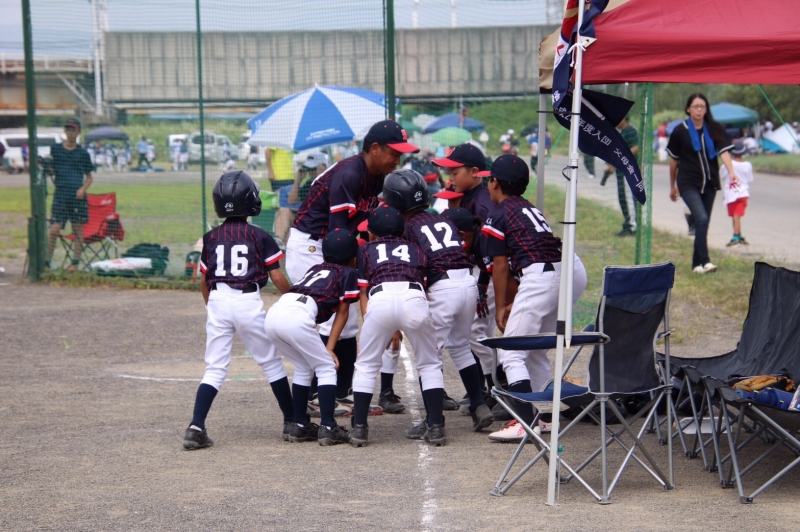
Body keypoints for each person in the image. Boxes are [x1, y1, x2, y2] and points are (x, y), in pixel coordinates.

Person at [287, 120, 419, 410]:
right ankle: (315, 396)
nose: (398, 160)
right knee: (327, 319)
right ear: (375, 149)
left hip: (331, 245)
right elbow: (337, 233)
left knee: (347, 325)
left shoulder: (376, 176)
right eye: (394, 153)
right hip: (313, 247)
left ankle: (338, 393)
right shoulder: (349, 174)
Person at [182, 170, 295, 450]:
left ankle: (196, 426)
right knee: (270, 362)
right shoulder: (259, 235)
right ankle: (292, 420)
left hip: (218, 300)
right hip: (247, 301)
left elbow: (204, 281)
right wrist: (295, 298)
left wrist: (214, 308)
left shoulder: (210, 238)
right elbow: (276, 276)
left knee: (215, 367)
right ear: (250, 202)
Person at [480, 154, 587, 442]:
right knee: (536, 348)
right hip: (571, 269)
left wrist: (501, 306)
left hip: (543, 274)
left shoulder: (498, 213)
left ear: (494, 183)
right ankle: (546, 418)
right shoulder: (528, 207)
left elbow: (500, 265)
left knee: (511, 352)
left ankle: (525, 423)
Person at [380, 169, 493, 440]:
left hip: (442, 288)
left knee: (429, 358)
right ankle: (479, 405)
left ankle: (434, 423)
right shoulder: (441, 219)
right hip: (467, 283)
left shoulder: (407, 228)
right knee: (461, 346)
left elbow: (414, 265)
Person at [350, 205, 446, 447]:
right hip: (414, 296)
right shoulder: (417, 248)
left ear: (371, 233)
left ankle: (359, 428)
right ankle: (436, 426)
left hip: (379, 298)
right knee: (429, 363)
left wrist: (372, 325)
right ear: (403, 232)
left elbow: (363, 291)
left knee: (366, 364)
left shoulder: (366, 249)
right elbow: (424, 284)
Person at [264, 228, 359, 446]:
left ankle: (299, 425)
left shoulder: (316, 267)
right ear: (353, 257)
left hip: (276, 312)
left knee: (303, 367)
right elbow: (342, 313)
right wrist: (330, 348)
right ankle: (328, 427)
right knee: (326, 367)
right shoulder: (348, 273)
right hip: (298, 315)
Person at [667, 93, 737, 274]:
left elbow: (724, 152)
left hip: (710, 182)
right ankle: (705, 261)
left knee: (702, 223)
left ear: (706, 110)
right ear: (688, 109)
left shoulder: (715, 128)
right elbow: (674, 160)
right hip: (688, 182)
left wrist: (731, 172)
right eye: (695, 106)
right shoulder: (680, 131)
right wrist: (672, 185)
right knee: (702, 218)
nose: (699, 110)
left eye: (702, 106)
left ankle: (696, 264)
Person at [45, 118, 94, 272]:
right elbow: (52, 170)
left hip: (77, 197)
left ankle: (75, 262)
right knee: (54, 229)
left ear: (78, 132)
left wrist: (82, 189)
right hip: (61, 195)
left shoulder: (82, 153)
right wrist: (45, 166)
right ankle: (47, 262)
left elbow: (89, 177)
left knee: (77, 228)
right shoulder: (56, 149)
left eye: (73, 130)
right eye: (68, 129)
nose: (70, 133)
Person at [273, 152, 328, 242]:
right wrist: (298, 179)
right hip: (306, 218)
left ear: (324, 167)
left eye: (313, 169)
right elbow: (291, 201)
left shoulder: (330, 181)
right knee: (284, 210)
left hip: (321, 221)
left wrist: (320, 175)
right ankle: (278, 241)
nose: (311, 172)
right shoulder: (309, 183)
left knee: (293, 233)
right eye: (308, 169)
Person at [601, 116, 639, 237]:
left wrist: (620, 158)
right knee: (623, 198)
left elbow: (636, 148)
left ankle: (632, 227)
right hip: (621, 171)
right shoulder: (620, 132)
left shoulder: (630, 131)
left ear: (624, 118)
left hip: (628, 171)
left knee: (628, 198)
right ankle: (628, 223)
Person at [720, 141, 753, 247]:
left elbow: (723, 176)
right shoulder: (748, 165)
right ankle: (738, 235)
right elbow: (749, 179)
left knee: (735, 215)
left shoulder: (726, 165)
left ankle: (735, 236)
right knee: (737, 215)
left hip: (731, 193)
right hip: (743, 193)